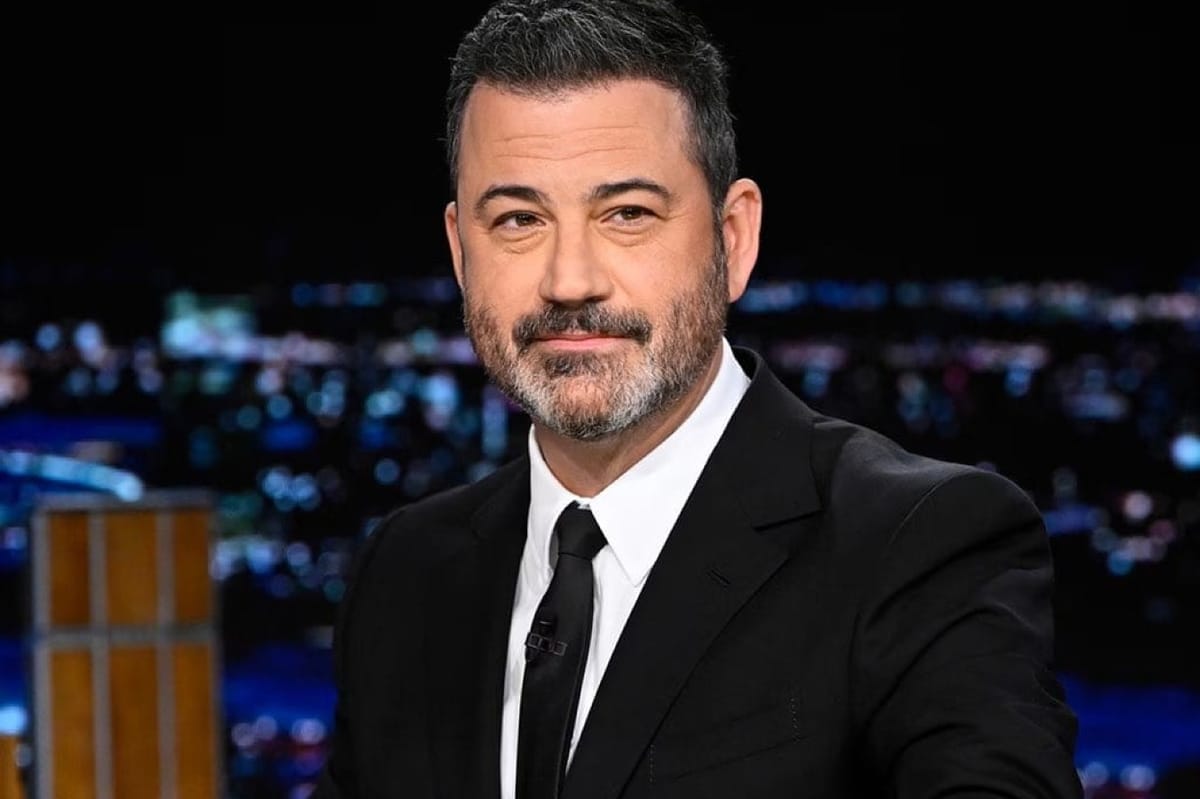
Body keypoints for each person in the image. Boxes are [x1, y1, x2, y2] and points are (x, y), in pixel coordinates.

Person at [314, 1, 1082, 796]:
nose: (569, 280)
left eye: (627, 214)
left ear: (733, 239)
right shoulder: (404, 574)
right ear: (460, 252)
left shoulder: (917, 545)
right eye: (518, 219)